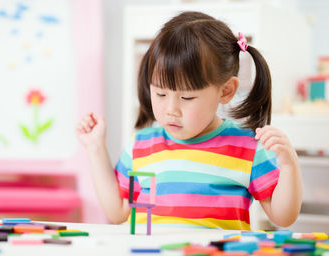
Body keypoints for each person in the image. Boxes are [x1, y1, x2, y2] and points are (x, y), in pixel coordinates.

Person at [76, 11, 302, 230]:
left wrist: (289, 165)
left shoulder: (246, 148)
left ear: (226, 91)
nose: (171, 109)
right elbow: (118, 212)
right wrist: (95, 148)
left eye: (187, 97)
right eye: (161, 94)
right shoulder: (141, 147)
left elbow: (283, 217)